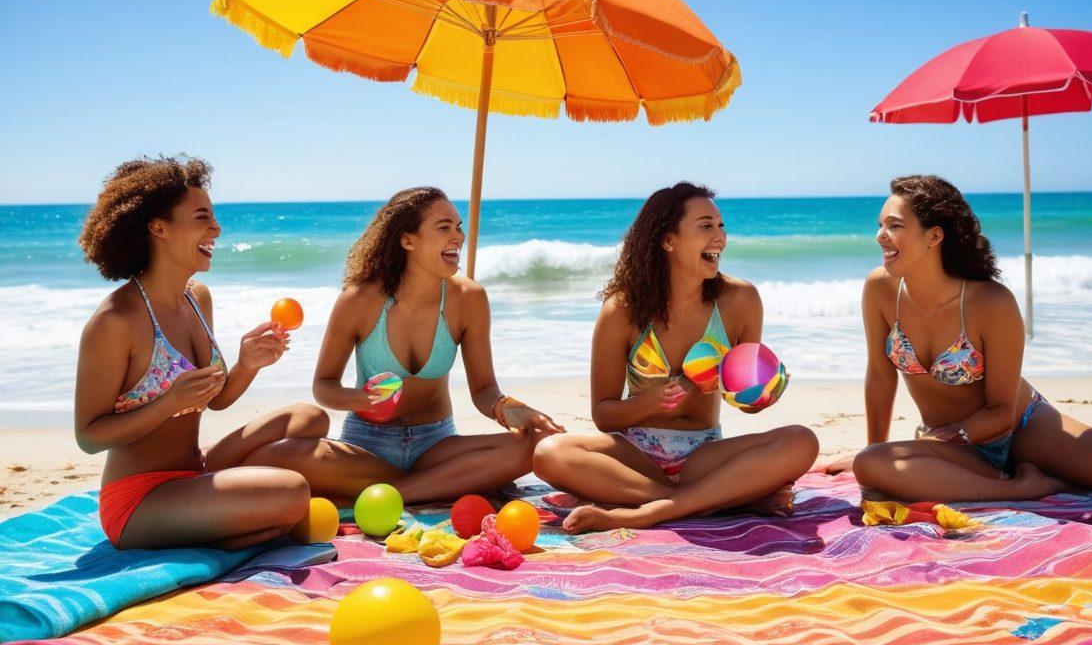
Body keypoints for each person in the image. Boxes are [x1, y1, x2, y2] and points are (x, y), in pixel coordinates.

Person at [842, 174, 1092, 501]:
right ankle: (1021, 486)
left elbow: (1001, 411)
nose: (880, 236)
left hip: (1021, 426)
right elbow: (880, 374)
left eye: (894, 226)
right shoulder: (881, 289)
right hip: (951, 441)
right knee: (871, 466)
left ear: (934, 236)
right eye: (880, 225)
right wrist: (878, 445)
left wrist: (939, 442)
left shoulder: (990, 301)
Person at [533, 182, 819, 532]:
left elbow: (740, 395)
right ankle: (708, 500)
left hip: (703, 455)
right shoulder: (621, 311)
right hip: (635, 456)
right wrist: (652, 402)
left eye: (721, 225)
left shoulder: (739, 301)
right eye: (705, 226)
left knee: (802, 440)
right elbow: (604, 415)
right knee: (549, 453)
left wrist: (760, 394)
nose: (719, 237)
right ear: (668, 241)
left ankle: (648, 510)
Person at [77, 155, 331, 550]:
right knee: (292, 490)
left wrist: (248, 364)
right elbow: (89, 436)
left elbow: (215, 400)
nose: (217, 228)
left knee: (308, 417)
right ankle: (240, 517)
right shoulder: (117, 320)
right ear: (159, 228)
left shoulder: (197, 297)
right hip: (140, 500)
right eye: (201, 218)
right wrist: (168, 402)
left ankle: (234, 513)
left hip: (195, 470)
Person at [307, 187, 564, 504]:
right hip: (368, 446)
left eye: (458, 227)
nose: (457, 237)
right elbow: (323, 386)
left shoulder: (469, 298)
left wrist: (508, 409)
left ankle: (394, 494)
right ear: (407, 240)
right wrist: (359, 399)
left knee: (532, 445)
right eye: (444, 228)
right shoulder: (360, 300)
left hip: (435, 445)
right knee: (296, 455)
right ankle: (433, 487)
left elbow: (484, 389)